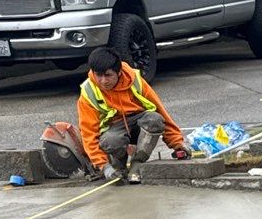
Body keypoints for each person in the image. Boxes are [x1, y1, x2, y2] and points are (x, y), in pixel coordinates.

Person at [77, 47, 189, 184]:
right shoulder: (88, 92)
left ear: (118, 72)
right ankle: (119, 167)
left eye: (108, 75)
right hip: (115, 131)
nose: (103, 81)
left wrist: (177, 143)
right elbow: (88, 133)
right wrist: (104, 166)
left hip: (140, 124)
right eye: (98, 75)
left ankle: (137, 165)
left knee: (155, 119)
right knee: (110, 141)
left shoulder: (134, 80)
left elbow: (160, 111)